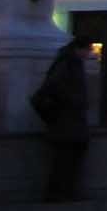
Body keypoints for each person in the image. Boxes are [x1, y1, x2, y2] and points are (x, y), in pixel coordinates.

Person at [31, 32, 93, 202]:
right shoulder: (67, 63)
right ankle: (59, 192)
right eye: (88, 50)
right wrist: (73, 101)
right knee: (65, 158)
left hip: (70, 120)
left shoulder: (70, 62)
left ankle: (65, 191)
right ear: (80, 49)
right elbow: (55, 86)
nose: (90, 54)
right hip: (66, 120)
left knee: (69, 157)